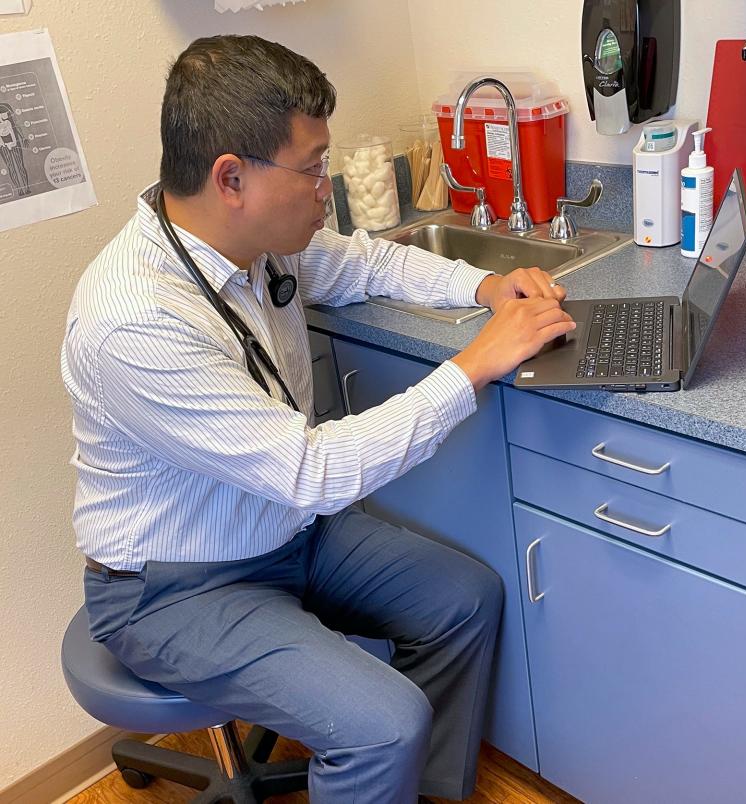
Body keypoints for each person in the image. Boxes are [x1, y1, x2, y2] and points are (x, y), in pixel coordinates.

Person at [60, 35, 575, 803]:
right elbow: (312, 471)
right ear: (231, 177)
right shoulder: (133, 322)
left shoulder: (257, 240)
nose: (324, 189)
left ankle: (416, 790)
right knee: (383, 720)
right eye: (311, 169)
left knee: (465, 597)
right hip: (175, 585)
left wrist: (489, 289)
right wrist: (472, 366)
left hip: (278, 529)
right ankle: (381, 756)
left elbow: (368, 262)